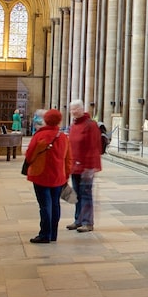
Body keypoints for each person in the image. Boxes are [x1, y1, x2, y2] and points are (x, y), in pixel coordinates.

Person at [24, 109, 72, 243]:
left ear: (46, 120)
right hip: (58, 175)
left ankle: (45, 234)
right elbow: (69, 159)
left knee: (45, 205)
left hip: (41, 175)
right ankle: (53, 234)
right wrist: (66, 174)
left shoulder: (40, 135)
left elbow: (29, 155)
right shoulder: (63, 137)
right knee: (55, 204)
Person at [66, 99, 102, 232]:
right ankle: (78, 220)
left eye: (76, 108)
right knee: (77, 194)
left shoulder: (90, 125)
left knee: (86, 194)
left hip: (86, 167)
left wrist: (90, 167)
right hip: (75, 166)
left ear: (82, 109)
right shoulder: (73, 125)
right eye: (72, 109)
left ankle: (88, 222)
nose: (74, 111)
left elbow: (94, 147)